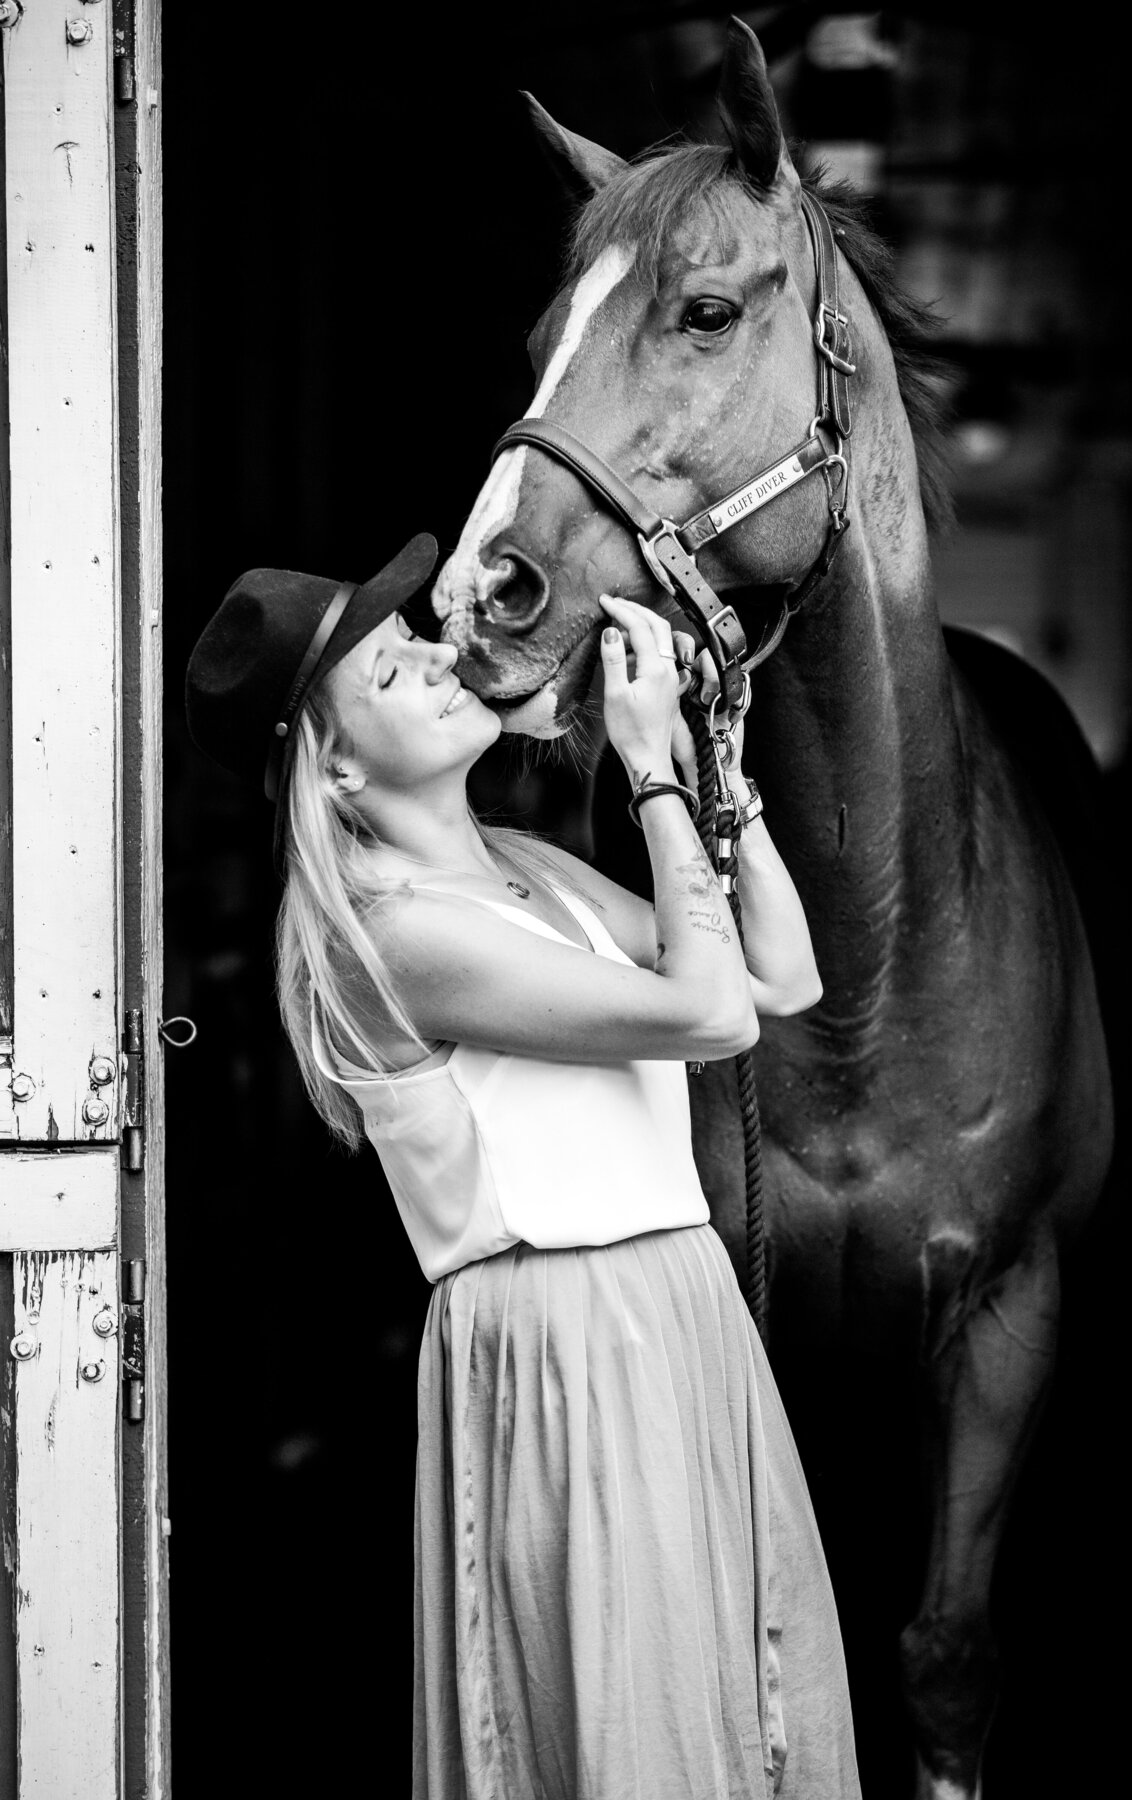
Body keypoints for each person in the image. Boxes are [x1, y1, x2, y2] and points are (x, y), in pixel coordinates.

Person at [185, 534, 861, 1800]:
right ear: (333, 767)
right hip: (566, 1336)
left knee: (739, 1699)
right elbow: (708, 1018)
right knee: (630, 1722)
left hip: (679, 1305)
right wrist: (650, 769)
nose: (444, 661)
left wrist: (717, 762)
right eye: (393, 673)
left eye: (419, 639)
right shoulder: (391, 934)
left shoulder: (529, 872)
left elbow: (781, 976)